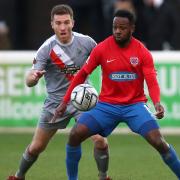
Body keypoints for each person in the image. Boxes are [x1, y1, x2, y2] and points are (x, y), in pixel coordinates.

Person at [51, 9, 180, 179]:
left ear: (132, 28)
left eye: (122, 28)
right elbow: (82, 74)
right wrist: (64, 102)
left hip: (135, 106)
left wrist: (156, 102)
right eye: (115, 27)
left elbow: (151, 80)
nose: (118, 31)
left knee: (159, 142)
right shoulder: (102, 48)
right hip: (106, 106)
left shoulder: (142, 52)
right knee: (75, 135)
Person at [7, 4, 111, 180]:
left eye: (66, 22)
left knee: (101, 140)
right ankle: (19, 176)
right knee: (36, 147)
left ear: (73, 23)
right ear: (52, 25)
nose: (63, 27)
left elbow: (106, 62)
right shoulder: (46, 48)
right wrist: (34, 77)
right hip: (55, 104)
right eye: (58, 23)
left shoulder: (87, 42)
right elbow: (29, 80)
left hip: (81, 100)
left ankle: (103, 176)